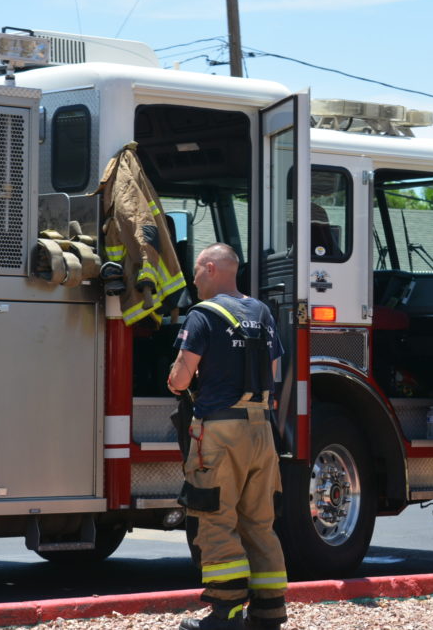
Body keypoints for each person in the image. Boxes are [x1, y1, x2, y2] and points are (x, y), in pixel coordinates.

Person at [167, 243, 287, 630]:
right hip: (261, 429)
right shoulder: (262, 313)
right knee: (259, 523)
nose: (194, 280)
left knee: (214, 518)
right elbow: (274, 371)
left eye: (197, 272)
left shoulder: (202, 315)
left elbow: (181, 378)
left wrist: (177, 380)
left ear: (211, 268)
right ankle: (269, 614)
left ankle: (226, 614)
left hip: (220, 431)